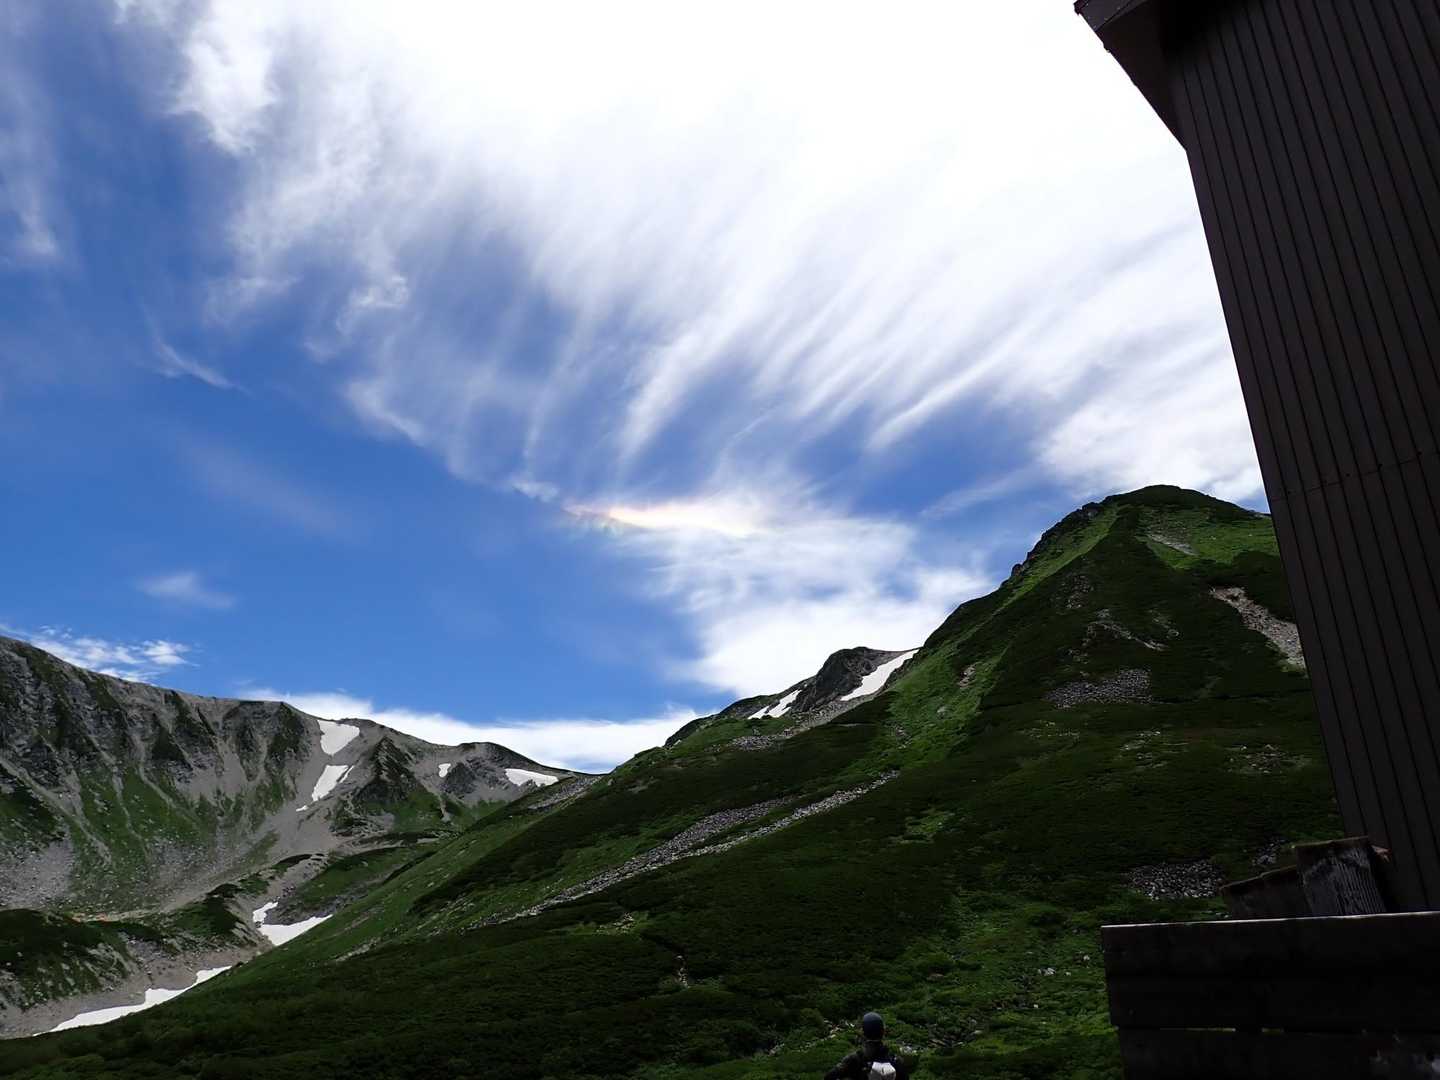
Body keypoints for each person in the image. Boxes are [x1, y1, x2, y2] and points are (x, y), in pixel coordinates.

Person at [823, 1012, 910, 1079]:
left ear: (863, 1033)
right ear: (883, 1032)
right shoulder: (896, 1061)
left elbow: (829, 1077)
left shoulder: (854, 1060)